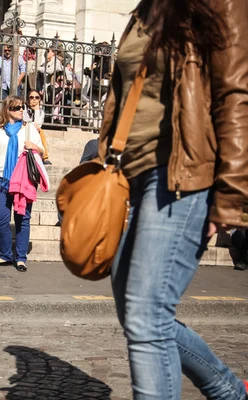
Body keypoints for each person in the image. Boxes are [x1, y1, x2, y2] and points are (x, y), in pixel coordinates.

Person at [97, 0, 248, 398]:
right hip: (135, 176)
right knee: (139, 312)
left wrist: (232, 190)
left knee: (147, 314)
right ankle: (228, 391)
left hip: (184, 173)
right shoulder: (144, 11)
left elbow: (235, 94)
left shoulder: (219, 3)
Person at [0, 96, 44, 272]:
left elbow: (42, 151)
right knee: (1, 218)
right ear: (7, 110)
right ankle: (5, 255)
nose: (21, 110)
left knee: (22, 219)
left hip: (23, 179)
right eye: (16, 107)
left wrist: (33, 145)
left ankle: (20, 258)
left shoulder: (30, 128)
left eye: (22, 107)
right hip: (0, 178)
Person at [26, 90, 50, 164]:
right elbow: (27, 121)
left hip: (36, 130)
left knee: (41, 132)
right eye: (31, 97)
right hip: (27, 128)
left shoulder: (41, 112)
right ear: (28, 99)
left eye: (36, 97)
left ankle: (45, 157)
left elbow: (39, 124)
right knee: (41, 132)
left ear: (39, 99)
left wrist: (36, 109)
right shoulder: (25, 109)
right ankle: (45, 157)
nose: (34, 99)